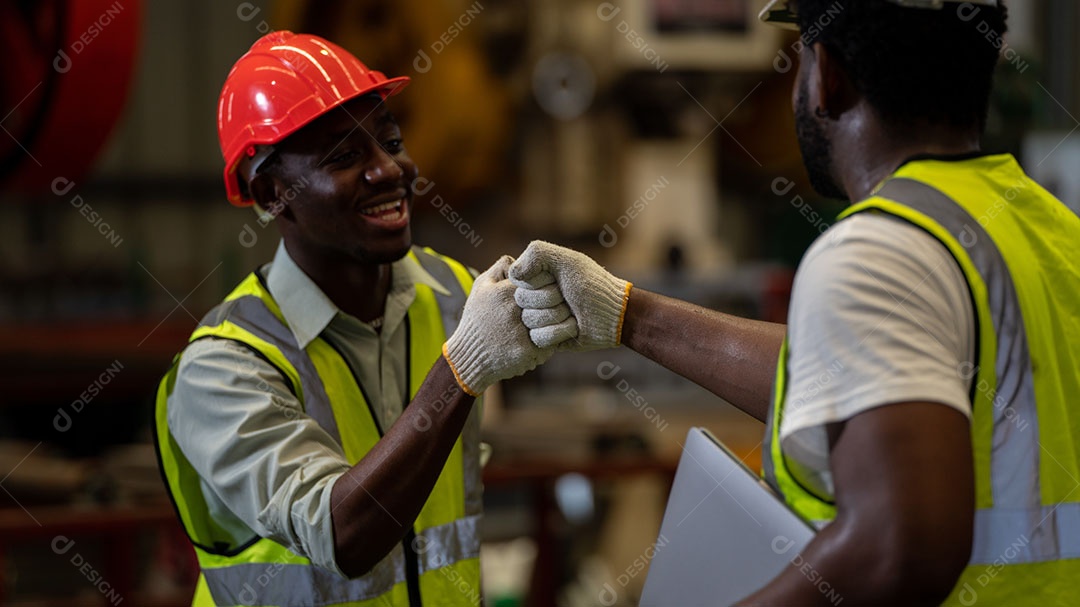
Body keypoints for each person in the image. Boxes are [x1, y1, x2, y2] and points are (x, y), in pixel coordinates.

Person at [511, 0, 1080, 604]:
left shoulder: (876, 249)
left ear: (828, 77)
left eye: (801, 58)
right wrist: (627, 314)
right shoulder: (1051, 228)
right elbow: (871, 371)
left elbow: (898, 550)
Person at [154, 31, 556, 607]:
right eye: (344, 156)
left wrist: (611, 307)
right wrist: (462, 368)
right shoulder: (224, 366)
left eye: (390, 141)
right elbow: (342, 536)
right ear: (272, 193)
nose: (389, 170)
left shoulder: (455, 295)